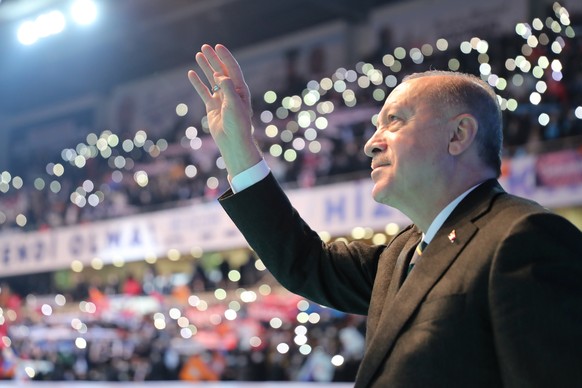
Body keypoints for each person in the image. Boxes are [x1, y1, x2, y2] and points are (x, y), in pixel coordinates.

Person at [187, 44, 582, 387]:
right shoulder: (400, 254)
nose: (371, 144)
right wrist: (238, 147)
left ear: (459, 135)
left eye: (394, 121)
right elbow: (306, 263)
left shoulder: (525, 239)